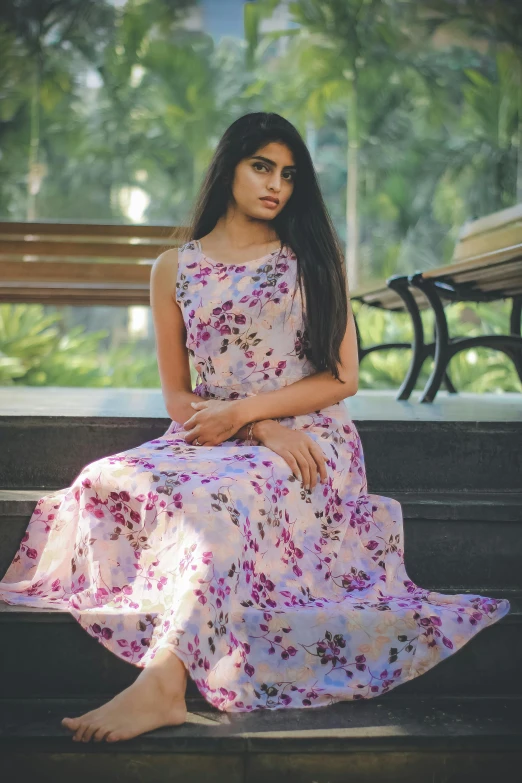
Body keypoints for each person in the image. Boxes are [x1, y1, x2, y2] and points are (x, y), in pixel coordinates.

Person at [0, 112, 510, 744]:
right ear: (230, 168)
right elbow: (179, 394)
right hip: (217, 433)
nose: (276, 185)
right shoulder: (174, 268)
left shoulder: (310, 259)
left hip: (311, 440)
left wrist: (255, 417)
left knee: (219, 511)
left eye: (289, 174)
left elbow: (343, 378)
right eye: (261, 167)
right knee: (104, 477)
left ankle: (163, 684)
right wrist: (251, 426)